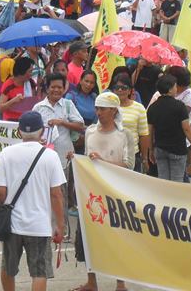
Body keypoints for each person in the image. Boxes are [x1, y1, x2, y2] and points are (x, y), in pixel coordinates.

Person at [0, 111, 66, 291]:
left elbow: (0, 193)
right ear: (41, 131)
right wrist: (60, 225)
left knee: (8, 268)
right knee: (39, 272)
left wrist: (2, 209)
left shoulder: (6, 154)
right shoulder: (51, 156)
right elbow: (56, 195)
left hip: (12, 224)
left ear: (19, 132)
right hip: (39, 226)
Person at [74, 91, 134, 291]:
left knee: (117, 238)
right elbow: (85, 160)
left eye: (102, 109)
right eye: (97, 108)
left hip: (115, 193)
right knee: (90, 237)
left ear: (113, 110)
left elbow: (129, 165)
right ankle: (91, 281)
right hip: (91, 193)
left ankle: (120, 282)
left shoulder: (124, 135)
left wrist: (103, 162)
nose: (98, 112)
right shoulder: (90, 131)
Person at [146, 74, 191, 182]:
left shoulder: (153, 107)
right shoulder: (179, 106)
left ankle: (164, 199)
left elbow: (150, 131)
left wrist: (150, 149)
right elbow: (186, 128)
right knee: (177, 181)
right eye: (175, 87)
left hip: (160, 148)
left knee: (163, 180)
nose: (176, 89)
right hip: (177, 149)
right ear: (170, 89)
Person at [34, 73, 85, 168]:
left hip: (64, 156)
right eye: (53, 87)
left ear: (64, 88)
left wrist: (62, 122)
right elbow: (33, 131)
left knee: (63, 182)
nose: (56, 90)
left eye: (59, 87)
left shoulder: (68, 105)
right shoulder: (38, 107)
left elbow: (80, 127)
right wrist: (37, 140)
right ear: (47, 88)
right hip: (42, 156)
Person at [113, 76, 151, 172]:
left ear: (130, 91)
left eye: (124, 88)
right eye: (117, 88)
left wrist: (145, 158)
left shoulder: (139, 108)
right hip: (111, 153)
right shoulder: (108, 106)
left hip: (132, 154)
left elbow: (143, 135)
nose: (120, 90)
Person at [0, 57, 37, 122]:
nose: (31, 74)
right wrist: (13, 101)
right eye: (30, 71)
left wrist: (39, 87)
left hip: (26, 120)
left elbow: (33, 102)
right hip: (11, 121)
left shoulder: (31, 83)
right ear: (22, 72)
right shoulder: (8, 85)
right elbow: (0, 109)